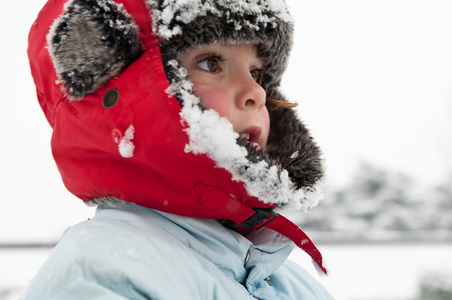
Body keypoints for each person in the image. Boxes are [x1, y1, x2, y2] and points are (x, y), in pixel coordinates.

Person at [23, 0, 335, 299]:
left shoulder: (286, 279)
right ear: (125, 92)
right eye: (211, 63)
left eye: (257, 73)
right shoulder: (103, 271)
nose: (256, 92)